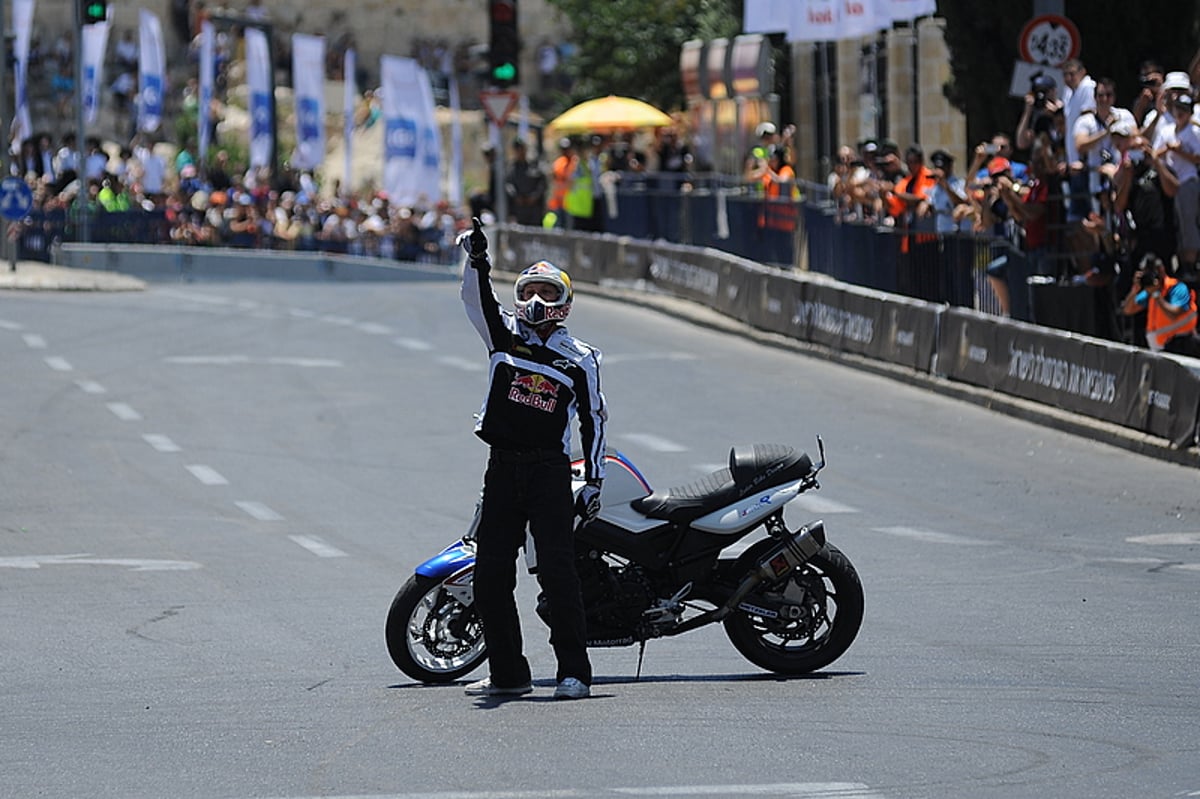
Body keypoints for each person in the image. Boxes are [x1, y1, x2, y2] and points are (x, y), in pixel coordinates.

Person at [458, 217, 606, 701]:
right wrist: (478, 260)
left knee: (559, 575)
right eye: (530, 291)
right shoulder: (503, 335)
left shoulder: (580, 358)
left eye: (548, 292)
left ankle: (574, 672)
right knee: (490, 576)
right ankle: (508, 672)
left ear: (565, 303)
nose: (537, 301)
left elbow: (594, 421)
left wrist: (593, 482)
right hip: (501, 469)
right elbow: (475, 300)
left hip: (548, 473)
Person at [1121, 253, 1199, 354]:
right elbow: (1128, 310)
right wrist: (1134, 290)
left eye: (1151, 271)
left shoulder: (1177, 288)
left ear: (1161, 270)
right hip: (1159, 349)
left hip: (1181, 345)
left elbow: (1173, 314)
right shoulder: (1150, 291)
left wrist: (1157, 295)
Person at [505, 138, 547, 227]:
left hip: (535, 209)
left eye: (522, 148)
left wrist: (534, 196)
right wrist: (516, 197)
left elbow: (542, 184)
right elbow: (508, 185)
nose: (520, 152)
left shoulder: (535, 165)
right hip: (520, 210)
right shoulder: (511, 168)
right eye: (517, 149)